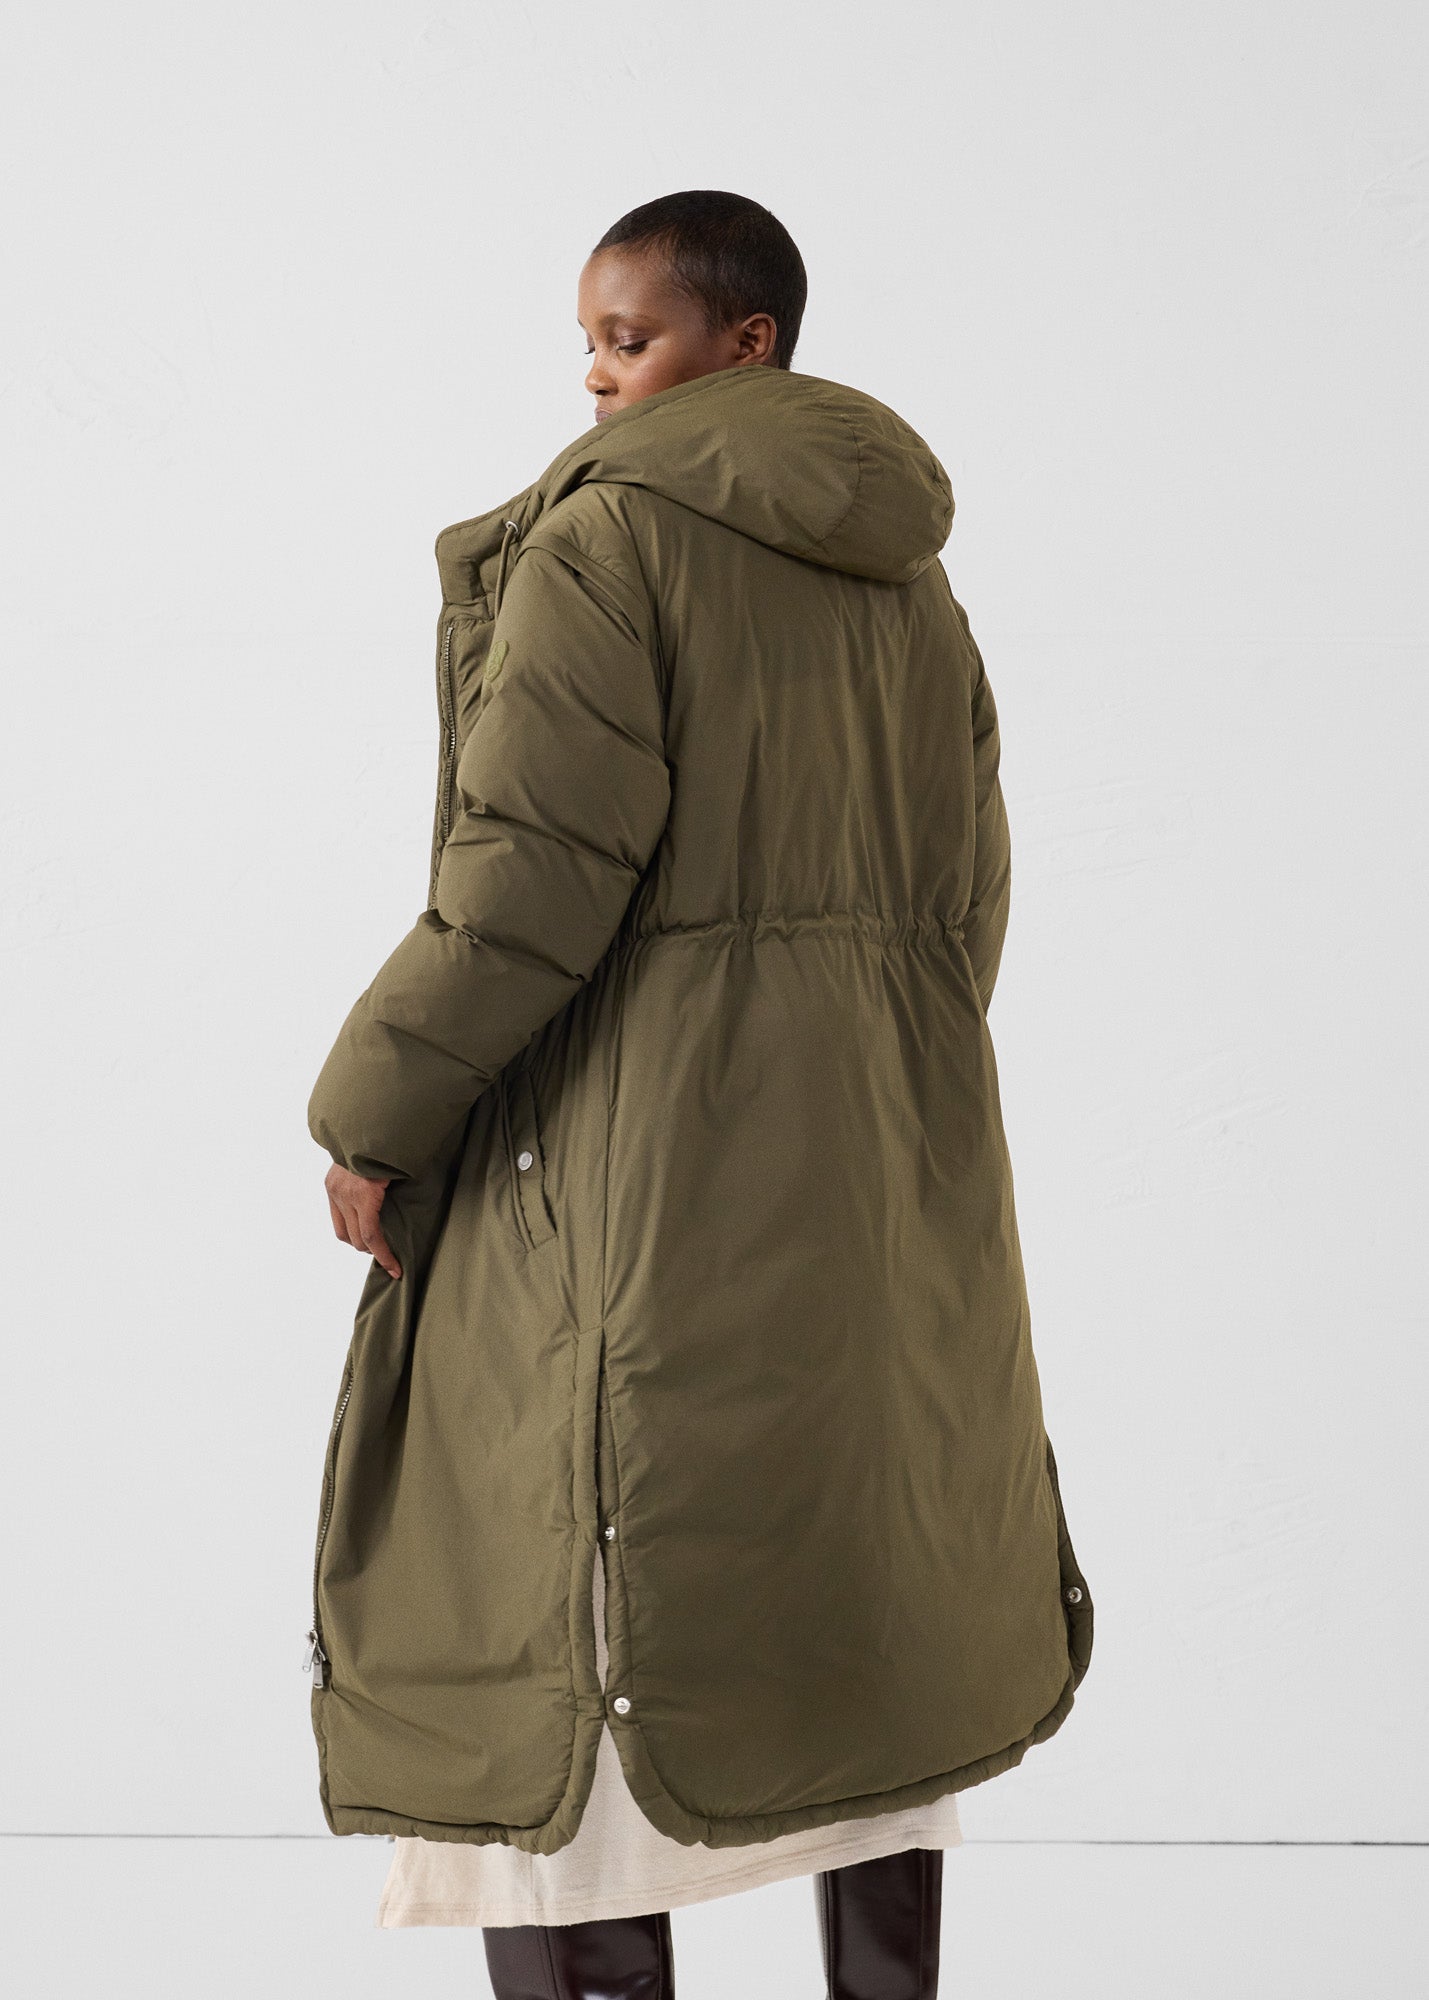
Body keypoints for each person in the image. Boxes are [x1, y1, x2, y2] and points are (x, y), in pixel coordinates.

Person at [305, 189, 1093, 2000]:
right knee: (852, 1613)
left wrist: (372, 1115)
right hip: (874, 1173)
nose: (595, 377)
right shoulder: (909, 579)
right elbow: (964, 900)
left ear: (747, 342)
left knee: (571, 1614)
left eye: (628, 337)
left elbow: (527, 876)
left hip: (626, 1173)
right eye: (587, 343)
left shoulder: (606, 537)